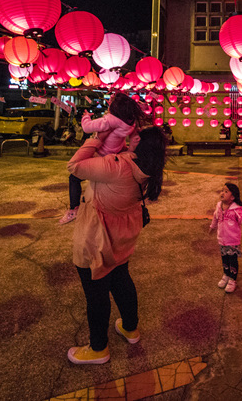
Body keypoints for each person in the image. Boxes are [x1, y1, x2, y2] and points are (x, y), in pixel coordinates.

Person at [65, 125, 167, 365]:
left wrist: (98, 136)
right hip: (123, 235)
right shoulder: (148, 168)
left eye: (134, 134)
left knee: (97, 293)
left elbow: (75, 166)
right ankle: (131, 328)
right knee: (121, 279)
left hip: (97, 237)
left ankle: (98, 348)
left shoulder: (117, 166)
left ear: (139, 140)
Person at [59, 94, 146, 225]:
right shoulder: (130, 122)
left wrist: (86, 117)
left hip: (101, 156)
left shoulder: (111, 120)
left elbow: (87, 127)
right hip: (116, 154)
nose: (109, 104)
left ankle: (74, 209)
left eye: (111, 102)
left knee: (74, 175)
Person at [208, 182, 242, 293]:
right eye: (222, 190)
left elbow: (241, 220)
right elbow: (215, 217)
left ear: (232, 197)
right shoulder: (219, 206)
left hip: (232, 240)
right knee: (225, 259)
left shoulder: (236, 209)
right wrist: (212, 227)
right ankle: (226, 275)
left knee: (232, 260)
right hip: (222, 239)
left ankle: (233, 280)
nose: (222, 192)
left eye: (226, 191)